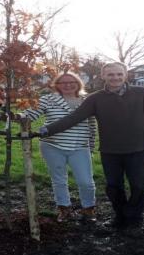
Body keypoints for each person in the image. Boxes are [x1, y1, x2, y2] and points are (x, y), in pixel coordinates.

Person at [40, 62, 144, 229]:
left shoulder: (142, 93)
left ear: (125, 75)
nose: (115, 78)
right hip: (110, 151)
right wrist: (47, 129)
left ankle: (133, 217)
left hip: (139, 148)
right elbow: (74, 118)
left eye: (119, 74)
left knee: (138, 185)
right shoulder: (95, 98)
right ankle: (119, 215)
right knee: (113, 186)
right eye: (111, 74)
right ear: (103, 76)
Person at [18, 72, 97, 223]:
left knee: (86, 181)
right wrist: (14, 116)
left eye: (71, 81)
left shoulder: (87, 101)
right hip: (52, 145)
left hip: (80, 146)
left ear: (78, 83)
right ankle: (64, 208)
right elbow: (29, 114)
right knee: (59, 180)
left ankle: (88, 208)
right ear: (57, 85)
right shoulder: (49, 99)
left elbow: (92, 127)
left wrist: (91, 147)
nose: (67, 85)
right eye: (63, 83)